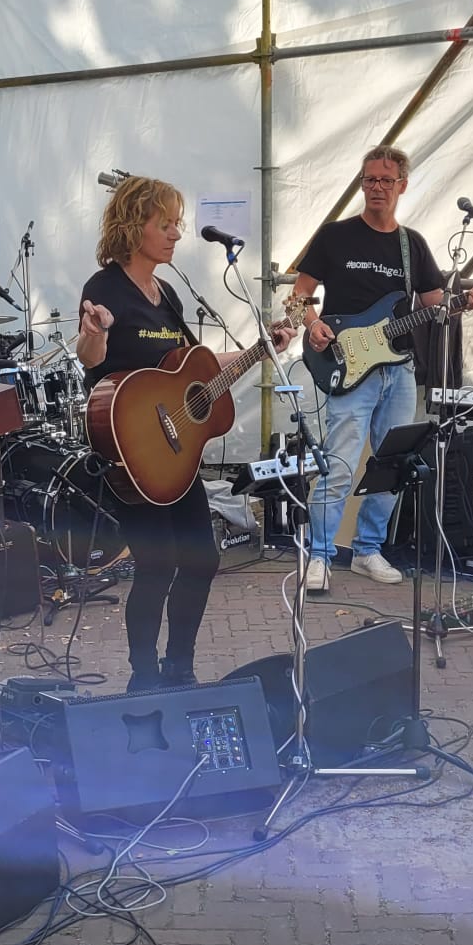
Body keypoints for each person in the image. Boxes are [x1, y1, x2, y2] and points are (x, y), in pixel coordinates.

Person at [75, 176, 296, 691]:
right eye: (166, 224)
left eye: (177, 224)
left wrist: (260, 349)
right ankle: (143, 676)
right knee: (156, 565)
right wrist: (94, 333)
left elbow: (195, 369)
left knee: (202, 559)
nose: (177, 234)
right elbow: (91, 358)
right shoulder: (104, 289)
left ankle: (180, 668)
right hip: (131, 451)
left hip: (176, 453)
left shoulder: (168, 295)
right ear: (135, 226)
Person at [291, 145, 473, 593]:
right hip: (347, 364)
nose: (376, 188)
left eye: (385, 180)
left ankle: (368, 550)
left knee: (393, 463)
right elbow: (298, 295)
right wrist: (312, 323)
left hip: (398, 368)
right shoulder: (335, 236)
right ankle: (319, 555)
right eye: (369, 180)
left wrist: (469, 301)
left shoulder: (411, 244)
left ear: (402, 185)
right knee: (339, 464)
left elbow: (435, 303)